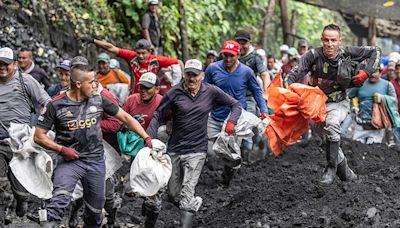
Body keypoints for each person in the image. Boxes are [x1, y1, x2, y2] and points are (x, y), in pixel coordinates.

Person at [33, 56, 152, 227]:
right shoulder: (56, 104)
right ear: (79, 84)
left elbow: (125, 117)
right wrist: (61, 149)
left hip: (96, 162)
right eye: (92, 82)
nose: (96, 85)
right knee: (58, 203)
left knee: (95, 214)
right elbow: (38, 136)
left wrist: (146, 137)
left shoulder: (99, 99)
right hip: (69, 161)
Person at [146, 59, 242, 228]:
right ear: (184, 75)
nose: (191, 78)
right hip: (175, 149)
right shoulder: (174, 93)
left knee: (186, 194)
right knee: (173, 194)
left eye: (195, 75)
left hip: (197, 150)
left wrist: (231, 123)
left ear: (202, 76)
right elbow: (157, 115)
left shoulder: (210, 91)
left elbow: (235, 105)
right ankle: (191, 207)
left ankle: (186, 221)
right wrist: (149, 139)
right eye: (188, 74)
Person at [287, 24, 381, 184]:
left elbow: (376, 51)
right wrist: (286, 91)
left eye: (333, 40)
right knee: (325, 141)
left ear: (339, 41)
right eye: (326, 40)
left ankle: (330, 168)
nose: (330, 44)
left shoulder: (348, 53)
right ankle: (347, 175)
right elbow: (295, 73)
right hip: (316, 104)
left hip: (338, 101)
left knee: (331, 126)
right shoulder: (312, 55)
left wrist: (366, 72)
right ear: (321, 40)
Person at [204, 40, 268, 186]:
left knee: (231, 153)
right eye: (225, 55)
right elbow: (204, 91)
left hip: (236, 117)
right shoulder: (212, 69)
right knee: (211, 152)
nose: (228, 59)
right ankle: (221, 170)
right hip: (215, 115)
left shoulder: (246, 72)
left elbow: (257, 92)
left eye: (231, 56)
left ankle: (226, 179)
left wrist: (263, 110)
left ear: (238, 55)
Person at [0, 47, 50, 225]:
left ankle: (21, 201)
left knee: (21, 190)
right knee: (1, 184)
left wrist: (43, 128)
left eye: (6, 63)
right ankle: (4, 208)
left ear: (14, 65)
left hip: (20, 144)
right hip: (0, 142)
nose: (2, 67)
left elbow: (47, 103)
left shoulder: (26, 81)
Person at [82, 38, 179, 94]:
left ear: (149, 52)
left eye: (143, 53)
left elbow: (179, 62)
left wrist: (178, 82)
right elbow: (111, 48)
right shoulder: (131, 57)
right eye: (138, 53)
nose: (140, 56)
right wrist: (93, 41)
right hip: (135, 95)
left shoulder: (157, 60)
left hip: (151, 95)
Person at [349, 69, 396, 144]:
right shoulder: (360, 83)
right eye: (370, 72)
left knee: (373, 151)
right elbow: (348, 96)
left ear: (380, 73)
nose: (372, 74)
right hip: (360, 125)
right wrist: (353, 108)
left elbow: (394, 102)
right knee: (357, 149)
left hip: (377, 127)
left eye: (374, 72)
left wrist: (382, 98)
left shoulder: (387, 85)